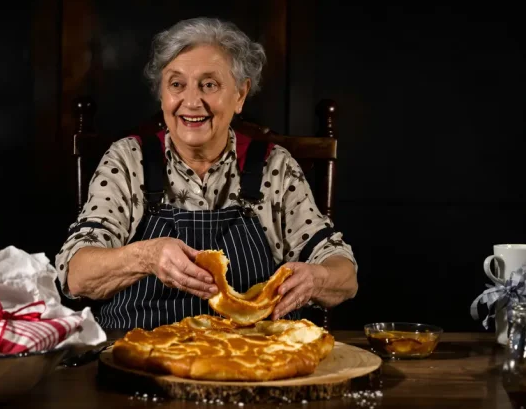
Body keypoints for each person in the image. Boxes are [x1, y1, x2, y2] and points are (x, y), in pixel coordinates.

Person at [55, 17, 358, 330]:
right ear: (162, 94)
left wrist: (317, 279)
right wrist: (147, 257)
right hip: (142, 358)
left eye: (209, 85)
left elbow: (345, 275)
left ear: (240, 95)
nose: (191, 101)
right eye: (176, 84)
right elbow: (74, 275)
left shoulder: (274, 167)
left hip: (253, 362)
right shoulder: (129, 161)